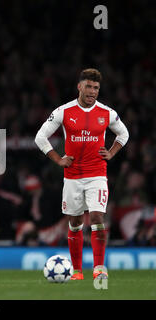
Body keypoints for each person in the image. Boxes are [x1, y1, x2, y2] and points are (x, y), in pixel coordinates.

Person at [35, 68, 129, 280]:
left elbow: (124, 133)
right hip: (72, 177)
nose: (92, 91)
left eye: (96, 87)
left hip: (97, 174)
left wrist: (112, 152)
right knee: (75, 222)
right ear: (79, 86)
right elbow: (40, 137)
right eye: (88, 86)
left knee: (96, 216)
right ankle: (77, 271)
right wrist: (58, 159)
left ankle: (99, 268)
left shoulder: (107, 113)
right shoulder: (64, 111)